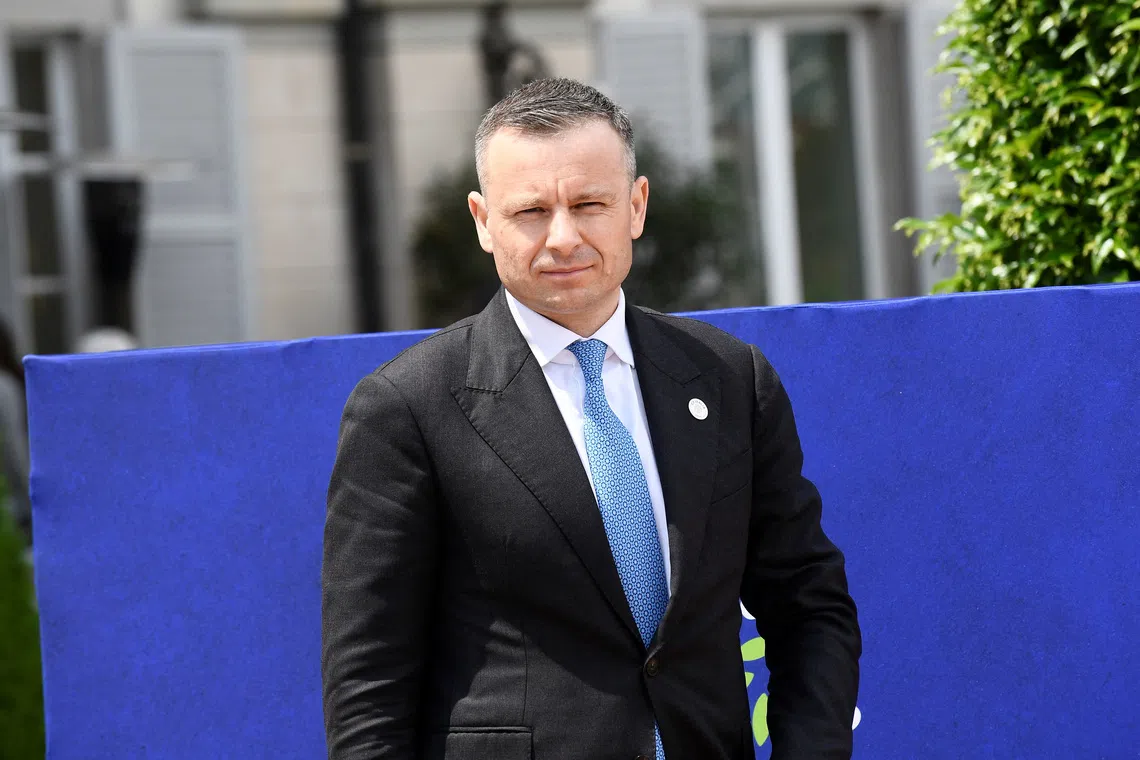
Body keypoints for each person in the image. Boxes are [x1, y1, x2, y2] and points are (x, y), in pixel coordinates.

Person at [322, 78, 861, 760]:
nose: (563, 237)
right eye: (530, 211)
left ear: (635, 207)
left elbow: (810, 608)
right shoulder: (408, 408)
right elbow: (369, 688)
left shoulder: (730, 380)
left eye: (589, 204)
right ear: (483, 220)